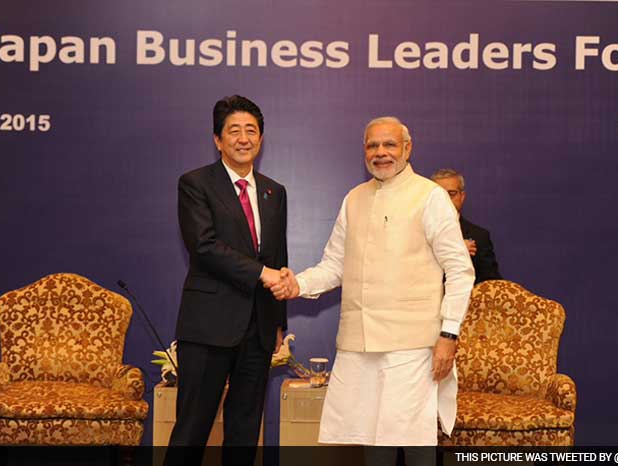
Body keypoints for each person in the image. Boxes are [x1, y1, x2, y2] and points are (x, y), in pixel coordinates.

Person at [271, 117, 474, 466]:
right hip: (359, 342)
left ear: (407, 149)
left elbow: (460, 270)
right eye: (372, 145)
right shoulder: (354, 198)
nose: (380, 153)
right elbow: (334, 265)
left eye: (389, 145)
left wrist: (448, 334)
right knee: (371, 435)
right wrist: (297, 284)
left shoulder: (431, 196)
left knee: (414, 439)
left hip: (412, 344)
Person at [165, 95, 287, 466]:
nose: (243, 138)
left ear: (261, 139)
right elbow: (203, 246)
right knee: (191, 430)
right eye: (234, 130)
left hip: (258, 329)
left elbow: (277, 257)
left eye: (251, 130)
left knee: (245, 431)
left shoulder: (273, 191)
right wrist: (262, 274)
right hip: (208, 328)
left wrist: (278, 321)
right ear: (218, 139)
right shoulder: (195, 183)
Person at [431, 169, 502, 284]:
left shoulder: (479, 236)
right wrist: (456, 250)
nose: (446, 200)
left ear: (462, 196)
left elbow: (491, 284)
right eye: (440, 195)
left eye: (452, 194)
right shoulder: (417, 233)